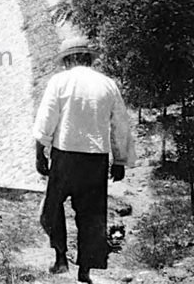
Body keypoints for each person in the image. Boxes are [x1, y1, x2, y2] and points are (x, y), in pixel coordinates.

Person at [33, 37, 136, 284]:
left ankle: (60, 258)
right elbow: (120, 125)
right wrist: (119, 160)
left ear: (68, 59)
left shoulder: (60, 81)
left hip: (65, 155)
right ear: (89, 58)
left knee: (52, 207)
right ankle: (85, 270)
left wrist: (40, 151)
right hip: (95, 159)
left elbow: (47, 118)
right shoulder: (108, 85)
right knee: (91, 215)